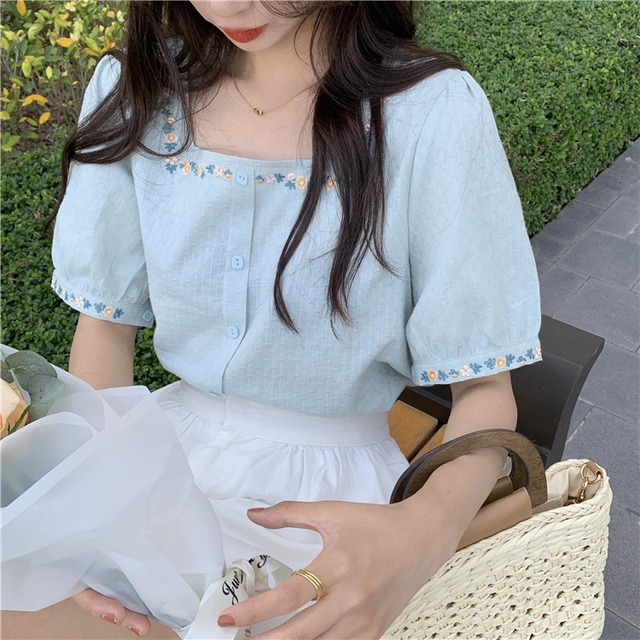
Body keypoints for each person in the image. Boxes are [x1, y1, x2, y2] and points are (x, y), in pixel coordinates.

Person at [51, 1, 542, 638]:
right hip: (157, 470)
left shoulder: (432, 113)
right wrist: (95, 506)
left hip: (342, 508)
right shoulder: (137, 91)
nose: (227, 6)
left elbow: (485, 391)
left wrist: (422, 533)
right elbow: (102, 331)